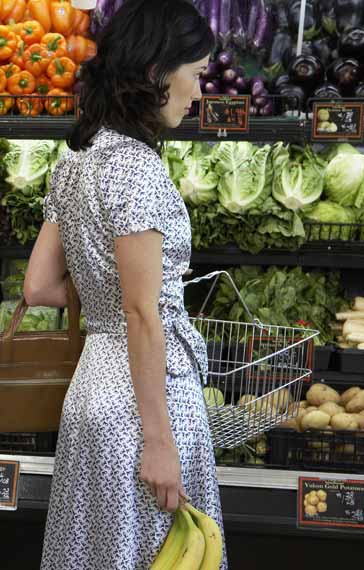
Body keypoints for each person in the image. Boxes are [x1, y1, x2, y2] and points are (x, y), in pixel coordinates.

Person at [23, 0, 228, 567]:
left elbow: (38, 286)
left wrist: (104, 298)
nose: (198, 92)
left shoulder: (77, 159)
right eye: (196, 75)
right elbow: (143, 315)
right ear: (160, 72)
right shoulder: (137, 167)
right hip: (144, 409)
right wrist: (160, 444)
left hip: (91, 393)